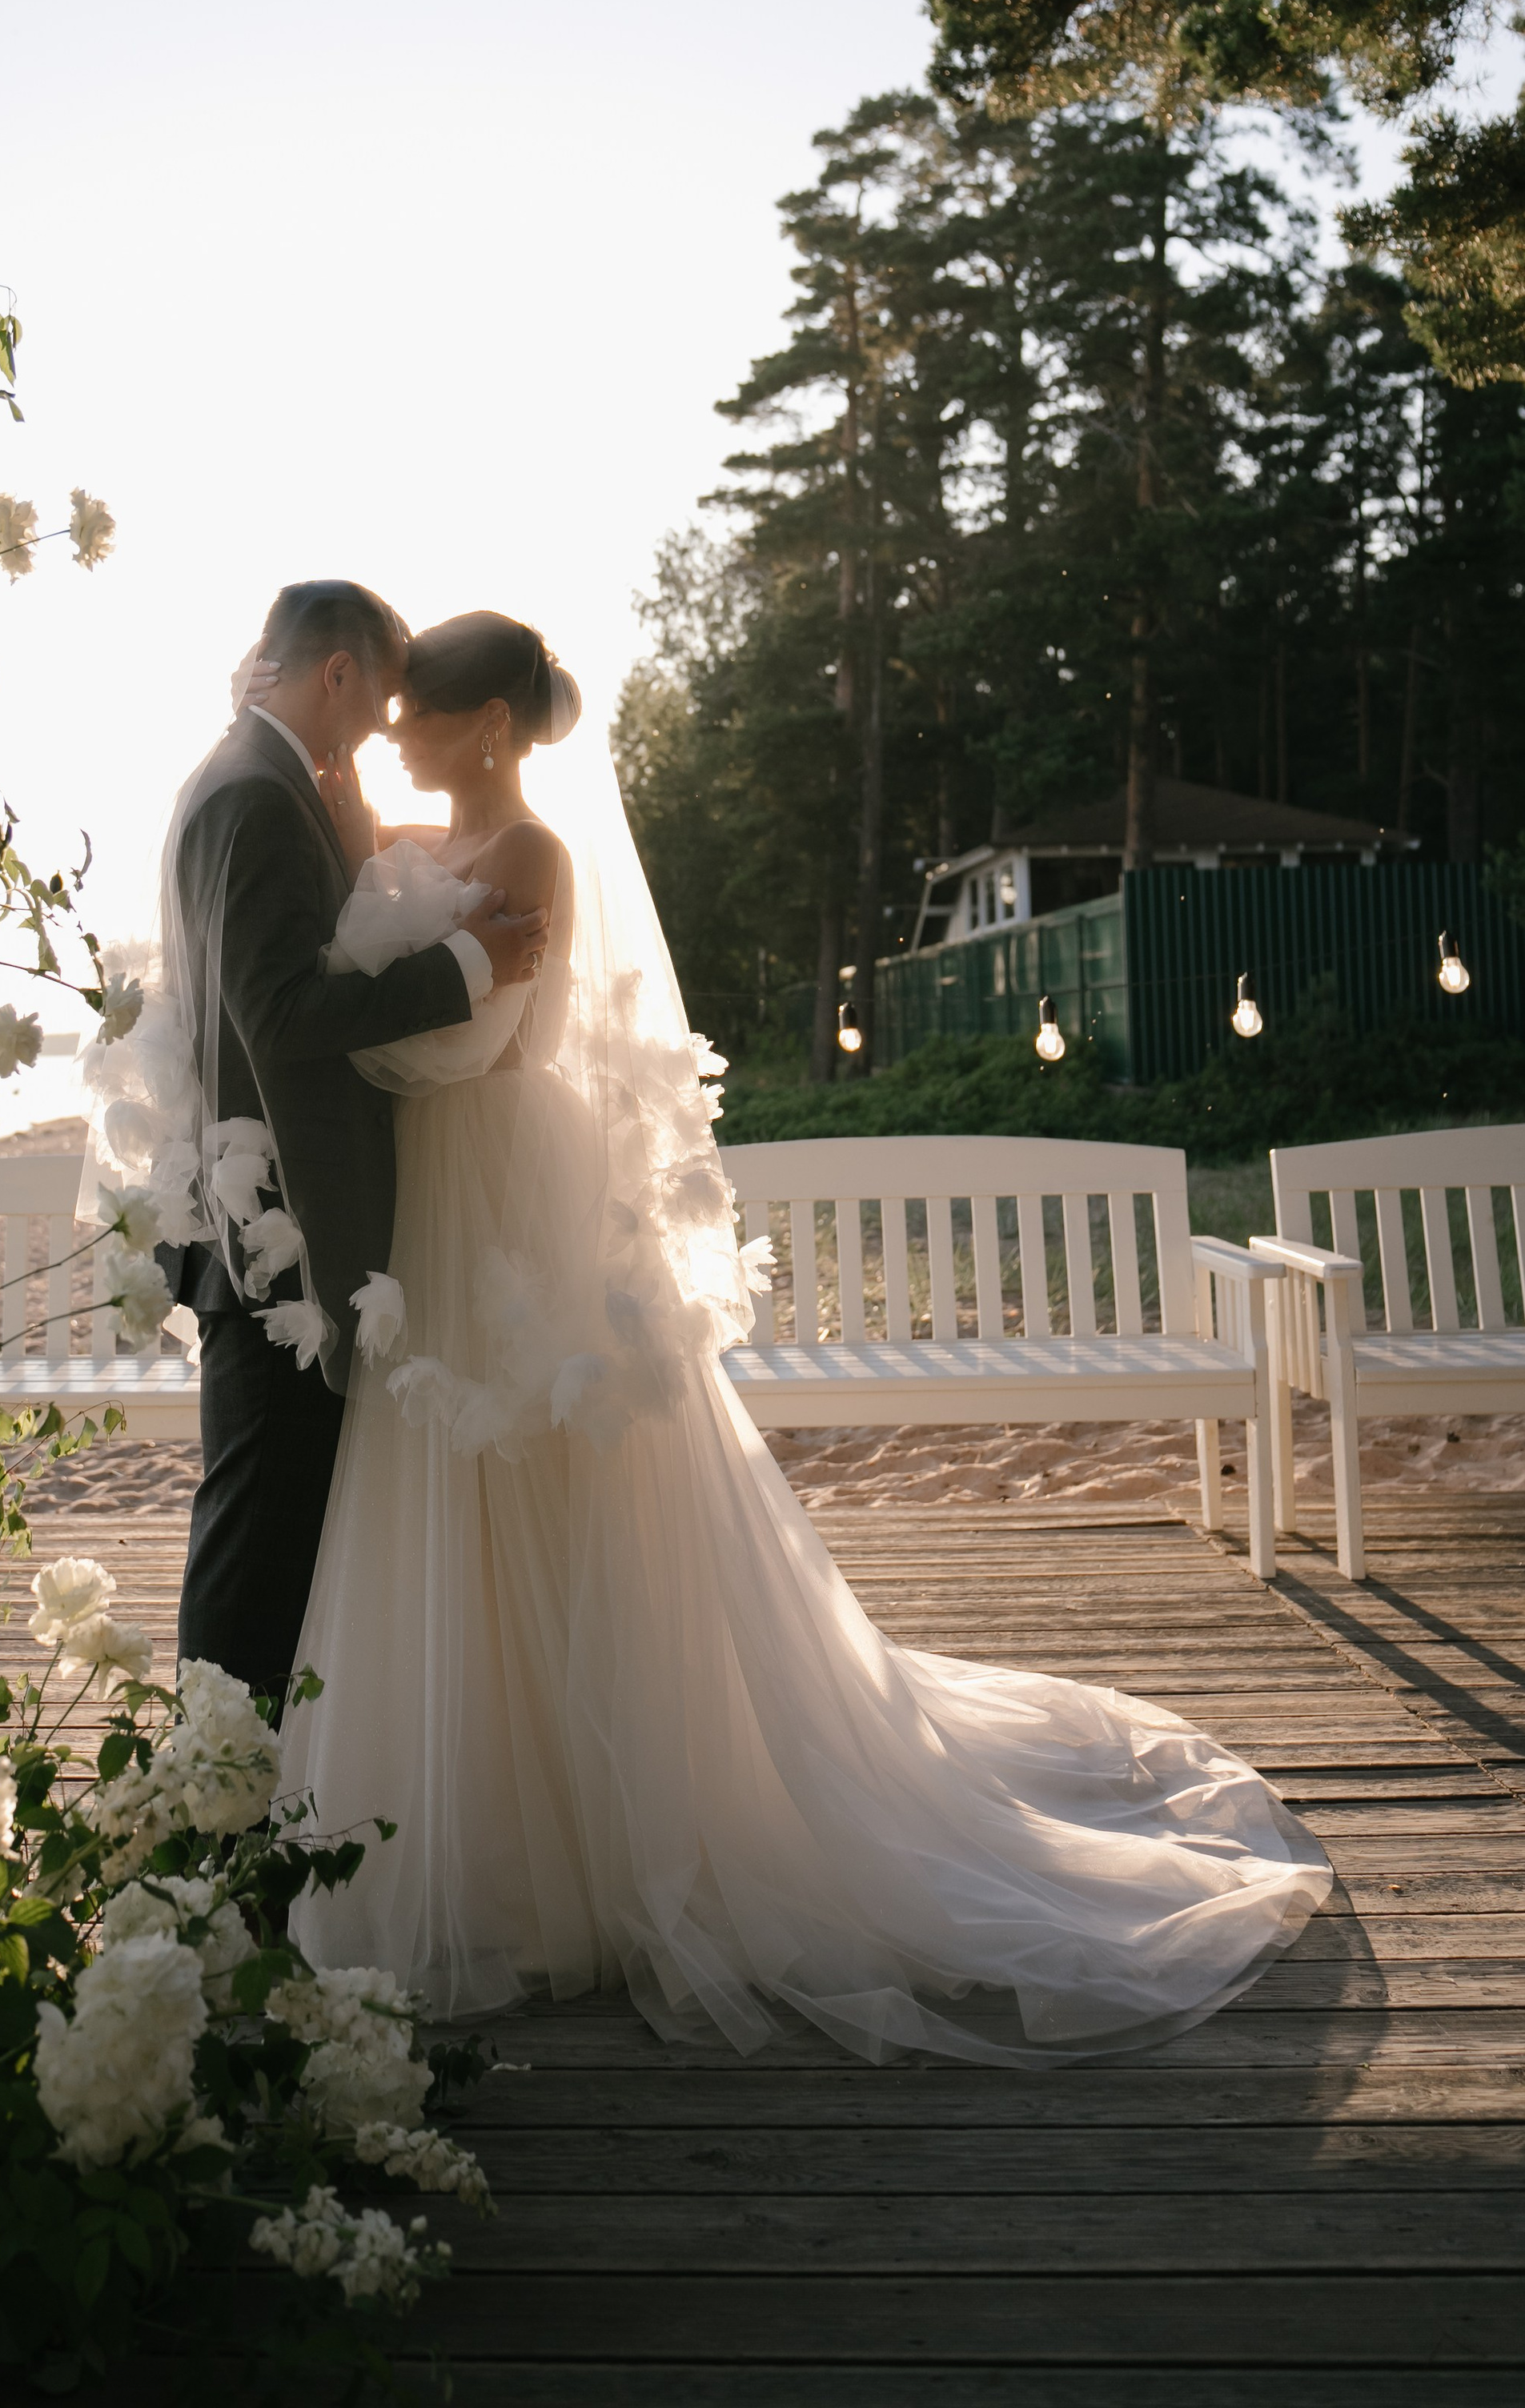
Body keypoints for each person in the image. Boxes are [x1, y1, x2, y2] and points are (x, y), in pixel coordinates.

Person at [270, 607, 1330, 2069]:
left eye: (421, 714)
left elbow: (469, 1043)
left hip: (502, 1191)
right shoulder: (413, 834)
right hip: (437, 1202)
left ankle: (606, 1837)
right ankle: (498, 1829)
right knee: (448, 1491)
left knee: (553, 1480)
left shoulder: (532, 856)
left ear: (491, 726)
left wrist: (350, 1027)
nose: (396, 733)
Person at [133, 579, 550, 1703]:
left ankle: (247, 1776)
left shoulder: (262, 778)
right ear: (336, 674)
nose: (385, 728)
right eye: (380, 701)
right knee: (256, 1536)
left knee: (277, 1531)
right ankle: (220, 1786)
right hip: (275, 1230)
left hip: (282, 1220)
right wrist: (466, 966)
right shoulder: (254, 796)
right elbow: (277, 1014)